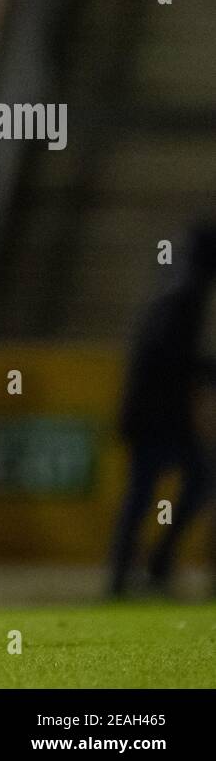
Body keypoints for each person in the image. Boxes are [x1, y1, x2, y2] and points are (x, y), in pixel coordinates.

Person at [108, 221, 216, 597]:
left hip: (150, 412)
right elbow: (168, 357)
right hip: (159, 416)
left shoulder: (175, 284)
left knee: (147, 492)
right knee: (189, 482)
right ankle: (145, 567)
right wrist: (205, 372)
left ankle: (131, 572)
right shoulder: (186, 293)